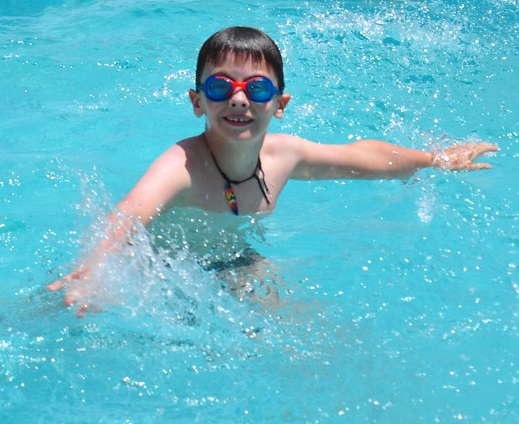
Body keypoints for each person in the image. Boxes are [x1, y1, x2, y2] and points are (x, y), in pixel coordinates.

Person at [49, 24, 498, 312]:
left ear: (280, 104)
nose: (238, 99)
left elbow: (361, 157)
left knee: (303, 327)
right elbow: (127, 215)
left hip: (234, 260)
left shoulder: (283, 157)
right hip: (161, 269)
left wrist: (435, 160)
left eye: (257, 89)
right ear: (197, 101)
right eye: (220, 87)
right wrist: (93, 272)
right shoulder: (181, 166)